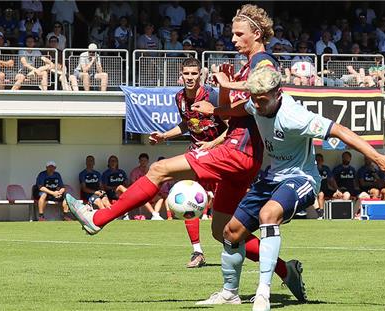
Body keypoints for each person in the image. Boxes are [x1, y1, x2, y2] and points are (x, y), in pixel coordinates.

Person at [65, 4, 306, 303]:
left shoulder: (262, 60)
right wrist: (224, 95)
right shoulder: (245, 65)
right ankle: (286, 271)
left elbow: (269, 82)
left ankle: (98, 219)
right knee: (225, 232)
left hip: (236, 150)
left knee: (158, 170)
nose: (232, 39)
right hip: (243, 156)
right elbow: (238, 109)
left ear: (256, 34)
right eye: (232, 33)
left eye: (238, 34)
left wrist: (225, 91)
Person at [191, 65, 385, 310]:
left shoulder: (295, 116)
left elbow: (340, 130)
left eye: (262, 100)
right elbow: (244, 108)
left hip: (301, 179)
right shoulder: (257, 102)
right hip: (270, 179)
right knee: (231, 233)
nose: (257, 105)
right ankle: (230, 293)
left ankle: (263, 292)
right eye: (255, 100)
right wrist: (217, 110)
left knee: (267, 215)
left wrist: (376, 157)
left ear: (277, 94)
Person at [150, 57, 228, 266]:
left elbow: (232, 127)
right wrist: (164, 136)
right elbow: (186, 125)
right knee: (189, 198)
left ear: (200, 75)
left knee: (226, 205)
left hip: (220, 154)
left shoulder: (213, 95)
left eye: (194, 74)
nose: (190, 77)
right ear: (181, 75)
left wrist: (212, 144)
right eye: (187, 74)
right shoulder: (180, 98)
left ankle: (236, 246)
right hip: (196, 154)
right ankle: (197, 252)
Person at [127, 153, 163, 221]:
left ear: (148, 161)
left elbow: (155, 182)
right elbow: (133, 184)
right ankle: (154, 214)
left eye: (145, 161)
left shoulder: (151, 171)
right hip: (139, 194)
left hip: (150, 193)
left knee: (160, 198)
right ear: (139, 161)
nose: (143, 162)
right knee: (143, 199)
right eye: (141, 161)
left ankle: (156, 214)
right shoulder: (135, 172)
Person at [315, 153, 335, 219]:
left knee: (338, 195)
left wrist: (337, 189)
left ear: (322, 160)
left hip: (326, 188)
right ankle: (321, 214)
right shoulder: (313, 169)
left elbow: (331, 180)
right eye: (317, 160)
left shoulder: (326, 168)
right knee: (321, 194)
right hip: (317, 189)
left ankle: (336, 214)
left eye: (320, 160)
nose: (318, 161)